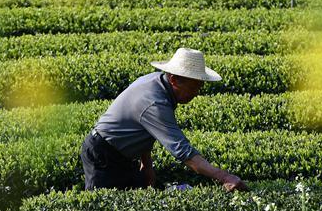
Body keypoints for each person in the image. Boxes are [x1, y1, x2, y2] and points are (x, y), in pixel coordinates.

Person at [80, 48, 248, 192]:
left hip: (122, 155)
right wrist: (225, 177)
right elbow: (183, 152)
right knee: (105, 207)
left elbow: (142, 127)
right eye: (193, 87)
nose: (196, 93)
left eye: (200, 86)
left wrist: (147, 166)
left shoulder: (157, 82)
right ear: (174, 79)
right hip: (103, 156)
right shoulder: (155, 102)